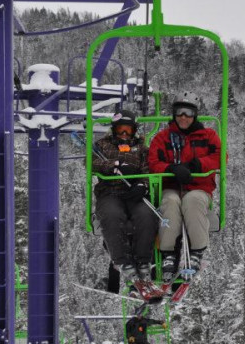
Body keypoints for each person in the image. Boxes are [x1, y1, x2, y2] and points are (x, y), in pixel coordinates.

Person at [148, 91, 221, 282]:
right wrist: (171, 168)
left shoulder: (208, 136)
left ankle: (197, 251)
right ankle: (168, 253)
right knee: (170, 202)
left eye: (188, 113)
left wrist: (198, 164)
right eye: (180, 112)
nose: (183, 117)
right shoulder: (162, 138)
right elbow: (153, 163)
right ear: (174, 114)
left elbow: (220, 158)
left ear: (195, 115)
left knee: (193, 200)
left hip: (198, 186)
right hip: (171, 186)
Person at [93, 110, 158, 285]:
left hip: (134, 193)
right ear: (114, 129)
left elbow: (148, 169)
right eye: (121, 129)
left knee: (147, 215)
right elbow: (91, 162)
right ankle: (122, 261)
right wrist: (114, 165)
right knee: (112, 215)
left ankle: (144, 260)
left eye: (128, 130)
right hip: (110, 192)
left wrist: (142, 184)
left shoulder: (141, 148)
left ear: (134, 130)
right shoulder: (104, 146)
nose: (124, 134)